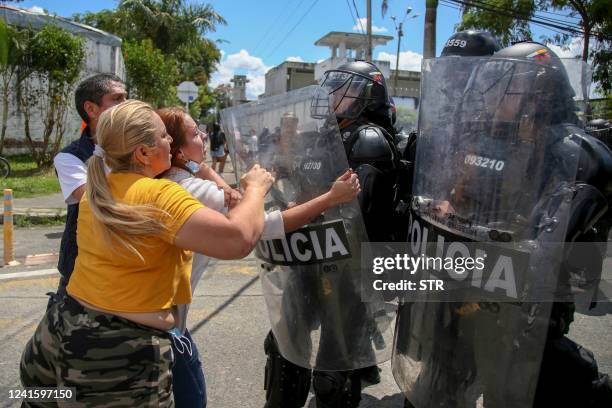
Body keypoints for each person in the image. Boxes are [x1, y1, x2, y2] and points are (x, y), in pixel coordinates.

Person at [392, 40, 612, 408]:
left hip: (524, 317)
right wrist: (447, 207)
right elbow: (458, 199)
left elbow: (550, 244)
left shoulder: (574, 155)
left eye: (504, 84)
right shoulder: (486, 145)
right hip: (465, 298)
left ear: (540, 92)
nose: (489, 96)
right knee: (430, 394)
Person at [20, 100, 275, 406]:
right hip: (116, 356)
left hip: (57, 331)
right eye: (163, 137)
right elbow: (239, 239)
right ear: (143, 153)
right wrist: (256, 189)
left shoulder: (99, 189)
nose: (169, 140)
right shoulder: (159, 195)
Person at [157, 106, 361, 408]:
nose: (203, 136)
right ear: (177, 151)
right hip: (166, 328)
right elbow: (269, 226)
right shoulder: (195, 192)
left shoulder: (159, 182)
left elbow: (203, 172)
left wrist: (221, 181)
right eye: (194, 133)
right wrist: (330, 197)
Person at [257, 61, 401, 408]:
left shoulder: (367, 139)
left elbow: (355, 215)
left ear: (369, 94)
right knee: (282, 344)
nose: (333, 94)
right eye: (333, 87)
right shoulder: (325, 134)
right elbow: (303, 189)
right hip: (310, 256)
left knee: (333, 367)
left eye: (344, 88)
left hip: (347, 271)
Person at [50, 74, 127, 305]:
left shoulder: (140, 148)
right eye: (117, 99)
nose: (127, 104)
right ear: (91, 109)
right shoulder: (69, 157)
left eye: (127, 97)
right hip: (83, 269)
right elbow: (91, 198)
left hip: (129, 265)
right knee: (70, 336)